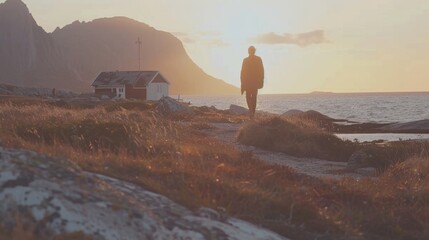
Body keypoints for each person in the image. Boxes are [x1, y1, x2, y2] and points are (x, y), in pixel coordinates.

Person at [241, 46, 264, 118]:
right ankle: (251, 111)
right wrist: (242, 83)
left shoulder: (258, 59)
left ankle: (252, 112)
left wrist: (261, 80)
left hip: (254, 82)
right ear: (249, 51)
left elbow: (261, 70)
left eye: (252, 50)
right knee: (249, 97)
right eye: (250, 50)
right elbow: (242, 72)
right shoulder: (245, 60)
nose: (251, 52)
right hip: (248, 82)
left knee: (253, 97)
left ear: (254, 51)